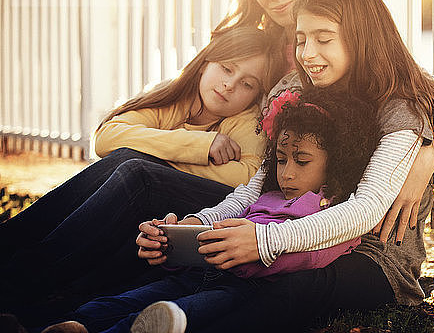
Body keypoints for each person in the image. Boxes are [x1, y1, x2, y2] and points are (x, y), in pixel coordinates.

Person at [190, 0, 434, 332]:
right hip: (289, 226)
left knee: (294, 289)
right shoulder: (299, 91)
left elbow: (365, 211)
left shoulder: (400, 106)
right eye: (302, 39)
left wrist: (264, 241)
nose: (307, 54)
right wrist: (201, 224)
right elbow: (258, 185)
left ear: (362, 39)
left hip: (374, 257)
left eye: (323, 39)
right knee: (223, 274)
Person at [40, 88, 379, 333]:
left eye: (302, 161)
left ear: (334, 164)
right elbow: (222, 214)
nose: (286, 172)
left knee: (182, 312)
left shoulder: (333, 214)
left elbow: (308, 257)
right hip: (202, 272)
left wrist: (244, 253)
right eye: (280, 159)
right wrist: (177, 241)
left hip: (244, 288)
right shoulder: (268, 195)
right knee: (134, 297)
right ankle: (78, 323)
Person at [0, 27, 273, 325]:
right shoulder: (173, 96)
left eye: (247, 83)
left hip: (211, 213)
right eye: (227, 68)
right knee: (128, 162)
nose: (230, 85)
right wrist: (199, 145)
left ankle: (15, 282)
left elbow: (245, 178)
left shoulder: (246, 122)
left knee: (135, 170)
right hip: (150, 219)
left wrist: (153, 162)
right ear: (207, 60)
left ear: (256, 94)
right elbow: (107, 137)